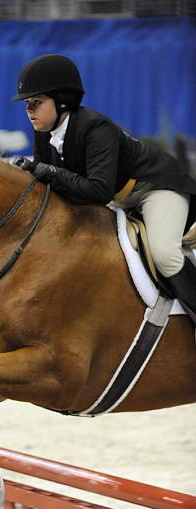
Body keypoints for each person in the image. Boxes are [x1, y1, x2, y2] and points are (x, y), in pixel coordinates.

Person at [12, 54, 196, 321]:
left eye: (36, 103)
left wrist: (50, 172)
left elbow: (98, 190)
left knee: (164, 252)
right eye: (27, 104)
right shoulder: (44, 131)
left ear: (62, 100)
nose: (29, 110)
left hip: (156, 188)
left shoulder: (96, 128)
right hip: (120, 197)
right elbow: (48, 183)